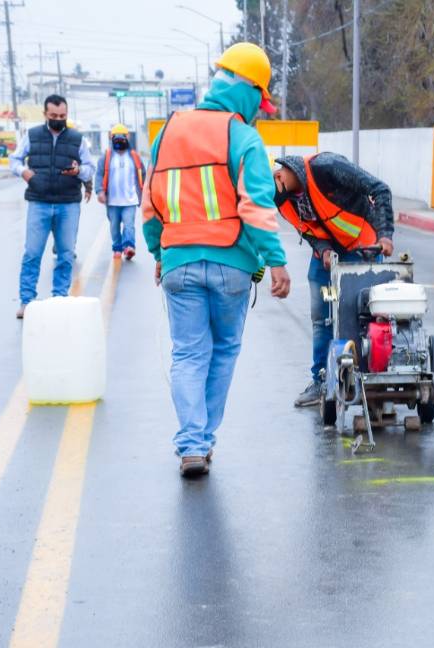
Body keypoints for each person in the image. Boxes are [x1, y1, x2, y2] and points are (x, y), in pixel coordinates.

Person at [143, 42, 291, 477]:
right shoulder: (243, 136)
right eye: (259, 102)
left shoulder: (166, 134)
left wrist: (158, 253)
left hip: (179, 266)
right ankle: (203, 439)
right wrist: (276, 261)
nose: (260, 112)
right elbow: (257, 207)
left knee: (188, 354)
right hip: (231, 267)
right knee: (223, 351)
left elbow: (150, 208)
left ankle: (191, 443)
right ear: (248, 92)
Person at [273, 153, 394, 408]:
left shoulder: (326, 168)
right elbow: (307, 230)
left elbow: (380, 189)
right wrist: (324, 250)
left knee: (367, 314)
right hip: (329, 256)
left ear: (279, 175)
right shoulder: (283, 201)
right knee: (323, 316)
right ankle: (322, 380)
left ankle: (372, 380)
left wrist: (385, 235)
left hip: (364, 248)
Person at [9, 95, 95, 319]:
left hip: (68, 204)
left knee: (66, 254)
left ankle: (59, 298)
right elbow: (14, 160)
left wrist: (79, 171)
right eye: (54, 116)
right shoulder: (32, 135)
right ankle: (27, 301)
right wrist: (25, 173)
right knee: (32, 254)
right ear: (45, 114)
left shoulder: (78, 139)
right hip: (39, 202)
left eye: (63, 116)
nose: (58, 119)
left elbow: (89, 168)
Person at [95, 123, 146, 260]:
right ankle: (117, 248)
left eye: (121, 138)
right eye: (115, 138)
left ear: (127, 137)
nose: (119, 141)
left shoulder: (135, 157)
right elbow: (99, 175)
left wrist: (146, 191)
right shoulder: (106, 157)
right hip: (112, 201)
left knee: (129, 224)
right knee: (114, 226)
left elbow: (144, 174)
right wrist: (99, 191)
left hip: (130, 200)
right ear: (111, 138)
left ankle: (129, 246)